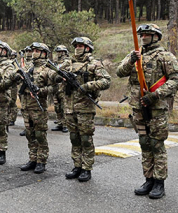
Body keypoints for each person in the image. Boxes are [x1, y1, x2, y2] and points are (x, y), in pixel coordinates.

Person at [116, 24, 178, 199]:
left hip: (156, 108)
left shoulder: (165, 56)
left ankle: (159, 183)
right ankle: (148, 179)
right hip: (138, 108)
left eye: (147, 34)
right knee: (144, 144)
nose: (143, 37)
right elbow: (119, 72)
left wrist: (155, 95)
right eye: (142, 34)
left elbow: (176, 80)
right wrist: (131, 59)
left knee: (156, 145)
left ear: (156, 37)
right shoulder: (135, 55)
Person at [55, 37, 110, 182]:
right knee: (74, 138)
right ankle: (77, 166)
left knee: (86, 139)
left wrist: (87, 86)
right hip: (69, 107)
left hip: (85, 107)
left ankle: (86, 168)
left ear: (88, 48)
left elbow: (106, 81)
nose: (78, 48)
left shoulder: (94, 64)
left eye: (81, 45)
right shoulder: (68, 63)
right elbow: (54, 76)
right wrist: (61, 78)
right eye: (76, 46)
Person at [17, 43, 55, 174]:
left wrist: (40, 91)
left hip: (38, 108)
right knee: (30, 134)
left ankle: (41, 161)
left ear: (44, 53)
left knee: (40, 135)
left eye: (37, 51)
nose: (34, 53)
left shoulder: (48, 69)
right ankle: (32, 159)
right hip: (26, 106)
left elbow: (54, 87)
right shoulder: (29, 67)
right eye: (33, 50)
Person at [51, 45, 70, 133]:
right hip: (55, 87)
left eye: (60, 52)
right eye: (58, 52)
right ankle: (60, 123)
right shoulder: (55, 62)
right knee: (57, 107)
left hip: (64, 88)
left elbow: (60, 70)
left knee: (64, 106)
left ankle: (65, 124)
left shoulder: (67, 61)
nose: (59, 53)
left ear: (64, 52)